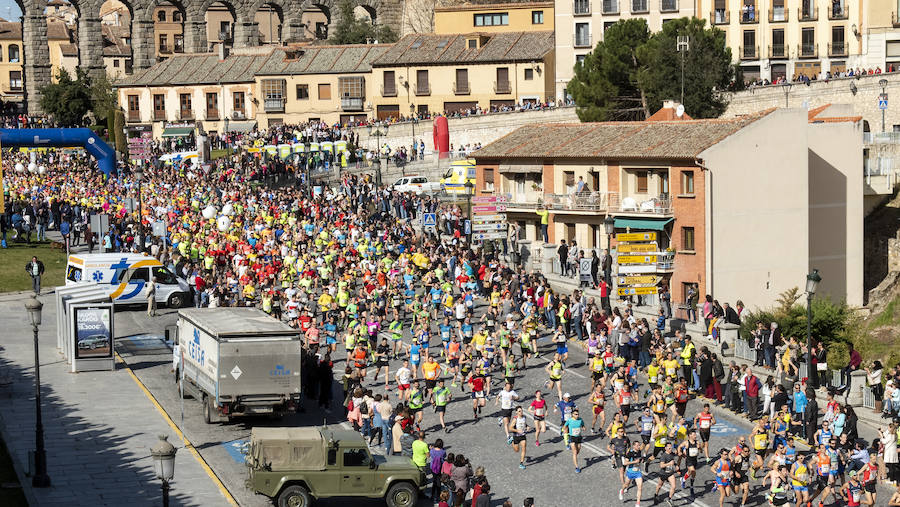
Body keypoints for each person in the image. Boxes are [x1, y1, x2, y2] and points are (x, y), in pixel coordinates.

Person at [621, 439, 645, 507]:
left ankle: (637, 503)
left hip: (638, 472)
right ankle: (622, 490)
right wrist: (635, 462)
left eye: (639, 445)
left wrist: (641, 460)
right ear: (633, 446)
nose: (638, 446)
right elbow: (625, 463)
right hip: (630, 472)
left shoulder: (639, 452)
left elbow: (639, 459)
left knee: (640, 487)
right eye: (637, 445)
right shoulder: (630, 453)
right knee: (626, 485)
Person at [562, 407, 586, 473]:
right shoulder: (569, 420)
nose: (577, 415)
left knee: (578, 450)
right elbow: (564, 426)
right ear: (572, 414)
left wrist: (584, 428)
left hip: (579, 437)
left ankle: (574, 456)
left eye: (578, 414)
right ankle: (577, 467)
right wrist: (564, 431)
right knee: (575, 452)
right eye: (575, 414)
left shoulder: (580, 420)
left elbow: (583, 425)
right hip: (572, 437)